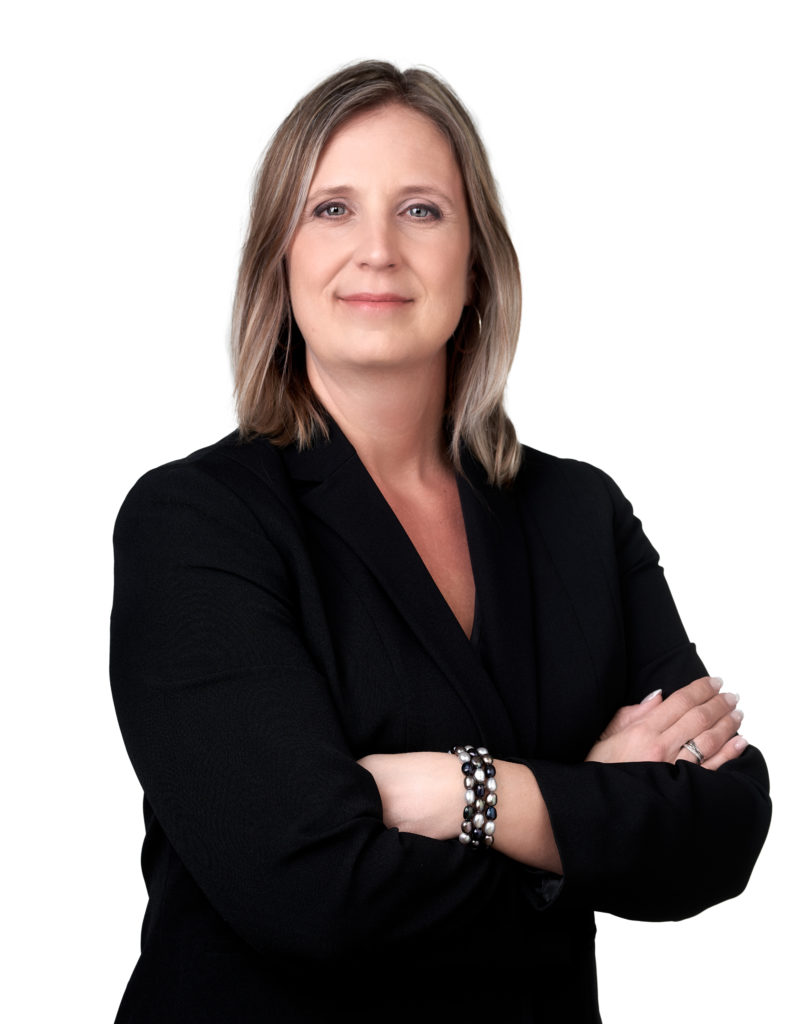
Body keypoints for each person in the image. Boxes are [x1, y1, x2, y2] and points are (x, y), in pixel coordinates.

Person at [110, 61, 771, 1023]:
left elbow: (721, 823)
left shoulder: (579, 512)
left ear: (476, 260)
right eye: (331, 209)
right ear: (278, 258)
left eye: (420, 210)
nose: (376, 250)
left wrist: (459, 793)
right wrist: (581, 811)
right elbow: (309, 889)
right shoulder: (194, 522)